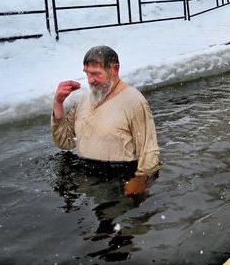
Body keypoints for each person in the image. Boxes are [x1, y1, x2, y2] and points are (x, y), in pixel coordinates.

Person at [51, 45, 161, 196]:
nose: (90, 80)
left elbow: (149, 149)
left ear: (114, 69)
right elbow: (65, 142)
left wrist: (141, 179)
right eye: (87, 73)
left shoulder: (134, 102)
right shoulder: (84, 100)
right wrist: (58, 103)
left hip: (119, 179)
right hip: (86, 174)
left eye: (96, 74)